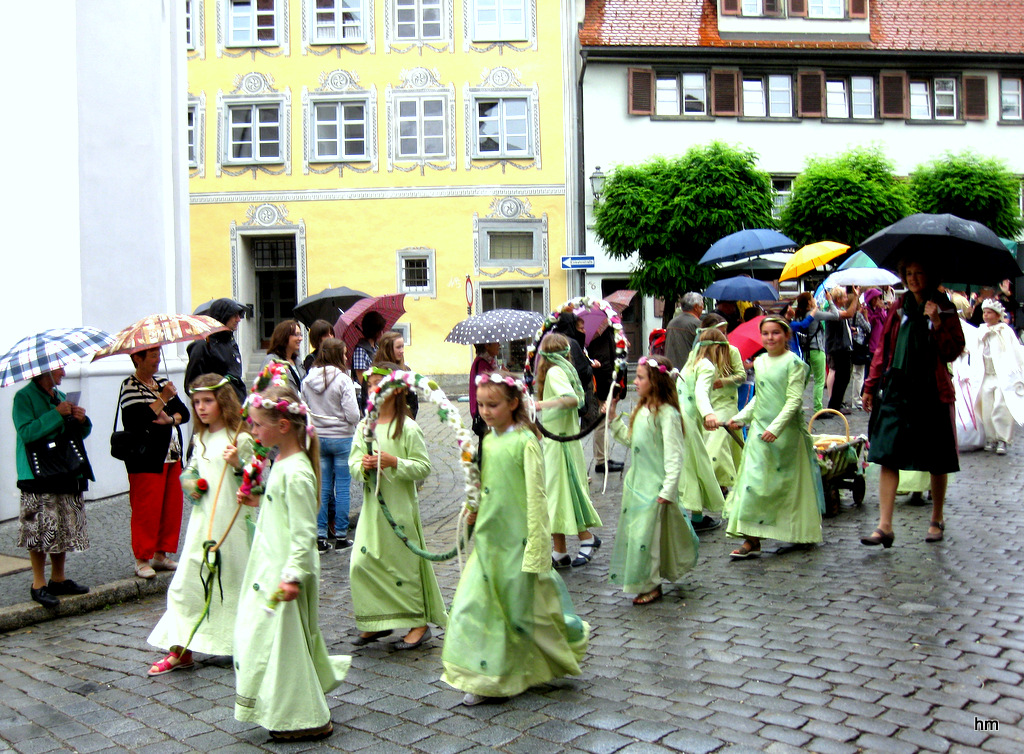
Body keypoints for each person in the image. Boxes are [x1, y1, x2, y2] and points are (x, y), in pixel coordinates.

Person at [441, 372, 589, 706]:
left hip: (517, 541)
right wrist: (473, 506)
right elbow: (487, 484)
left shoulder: (525, 442)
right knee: (474, 605)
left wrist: (538, 547)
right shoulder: (489, 441)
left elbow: (537, 497)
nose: (485, 411)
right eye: (480, 405)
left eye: (492, 405)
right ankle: (487, 679)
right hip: (489, 538)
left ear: (513, 403)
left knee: (516, 613)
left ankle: (533, 662)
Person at [233, 384, 349, 742]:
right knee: (274, 640)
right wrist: (259, 503)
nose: (252, 432)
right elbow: (282, 515)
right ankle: (288, 707)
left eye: (256, 425)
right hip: (271, 567)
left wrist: (292, 577)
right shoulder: (283, 464)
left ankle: (306, 717)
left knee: (282, 645)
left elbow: (302, 533)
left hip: (285, 572)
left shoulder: (297, 472)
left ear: (283, 426)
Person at [146, 374, 254, 676]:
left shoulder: (241, 439)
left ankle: (243, 643)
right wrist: (192, 483)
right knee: (185, 585)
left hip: (232, 527)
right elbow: (191, 471)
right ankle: (181, 649)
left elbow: (255, 484)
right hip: (202, 526)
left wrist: (239, 465)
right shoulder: (201, 438)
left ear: (223, 401)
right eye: (197, 402)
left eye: (208, 400)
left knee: (234, 585)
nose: (202, 407)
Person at [860, 257, 965, 548]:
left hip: (931, 390)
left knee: (936, 456)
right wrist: (870, 385)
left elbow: (952, 351)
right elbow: (883, 348)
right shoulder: (898, 306)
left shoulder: (944, 306)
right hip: (897, 388)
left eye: (919, 273)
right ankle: (884, 526)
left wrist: (937, 321)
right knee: (887, 454)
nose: (914, 278)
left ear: (930, 276)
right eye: (909, 273)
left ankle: (937, 517)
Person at [348, 363, 446, 650]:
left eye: (381, 384)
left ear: (398, 390)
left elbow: (423, 467)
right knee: (362, 564)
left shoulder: (409, 428)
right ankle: (377, 620)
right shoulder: (365, 427)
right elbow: (353, 463)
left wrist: (394, 463)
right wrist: (364, 467)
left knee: (403, 566)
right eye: (370, 385)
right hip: (372, 511)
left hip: (399, 509)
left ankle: (418, 622)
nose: (373, 389)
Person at [725, 316, 825, 559]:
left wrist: (777, 428)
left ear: (786, 336)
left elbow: (793, 400)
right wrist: (741, 418)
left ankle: (798, 531)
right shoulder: (759, 363)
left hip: (786, 435)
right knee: (753, 482)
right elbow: (760, 397)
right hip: (760, 432)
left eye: (775, 333)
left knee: (787, 486)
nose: (770, 338)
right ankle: (751, 538)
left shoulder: (794, 363)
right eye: (766, 333)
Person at [606, 356, 697, 605]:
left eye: (640, 378)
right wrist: (614, 419)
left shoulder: (668, 415)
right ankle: (646, 581)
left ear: (655, 381)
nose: (635, 382)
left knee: (648, 538)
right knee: (638, 537)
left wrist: (668, 489)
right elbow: (630, 440)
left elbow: (674, 455)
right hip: (637, 485)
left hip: (655, 486)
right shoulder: (643, 409)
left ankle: (652, 584)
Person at [13, 368, 92, 608]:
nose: (64, 371)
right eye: (59, 368)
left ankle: (58, 578)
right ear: (45, 371)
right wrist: (56, 415)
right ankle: (38, 584)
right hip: (37, 472)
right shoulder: (24, 397)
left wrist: (81, 420)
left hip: (63, 467)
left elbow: (79, 433)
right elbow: (26, 432)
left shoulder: (57, 394)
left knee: (62, 525)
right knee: (39, 528)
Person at [118, 347, 190, 579]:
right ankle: (142, 558)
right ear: (137, 359)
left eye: (159, 356)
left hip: (171, 454)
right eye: (153, 357)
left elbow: (184, 414)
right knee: (147, 509)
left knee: (171, 507)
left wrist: (170, 418)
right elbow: (138, 420)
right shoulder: (130, 386)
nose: (158, 360)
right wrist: (163, 399)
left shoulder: (160, 382)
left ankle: (161, 553)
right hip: (146, 457)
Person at [535, 333, 603, 568]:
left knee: (564, 492)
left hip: (560, 443)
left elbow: (572, 399)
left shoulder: (554, 372)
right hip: (557, 442)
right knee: (556, 495)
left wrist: (540, 405)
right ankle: (560, 550)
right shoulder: (561, 371)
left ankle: (587, 538)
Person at [301, 338, 359, 550]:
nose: (346, 358)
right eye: (344, 354)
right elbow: (353, 414)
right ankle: (341, 536)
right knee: (343, 487)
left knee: (322, 488)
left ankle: (320, 537)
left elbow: (303, 408)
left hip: (318, 437)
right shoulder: (343, 380)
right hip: (342, 437)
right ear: (337, 356)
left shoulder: (307, 380)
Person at [673, 333, 728, 532]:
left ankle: (694, 515)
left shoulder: (690, 363)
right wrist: (708, 414)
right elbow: (701, 393)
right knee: (695, 467)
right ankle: (693, 517)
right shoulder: (706, 366)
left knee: (689, 466)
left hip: (679, 417)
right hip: (688, 421)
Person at [687, 329, 745, 494]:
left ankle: (712, 483)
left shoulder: (731, 351)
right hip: (707, 404)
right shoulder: (698, 357)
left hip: (726, 403)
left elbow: (741, 376)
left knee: (716, 445)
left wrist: (724, 381)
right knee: (712, 444)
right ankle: (720, 483)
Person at [975, 299, 1024, 455]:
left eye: (989, 313)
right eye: (984, 312)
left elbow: (1014, 350)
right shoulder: (981, 331)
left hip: (1001, 374)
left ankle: (1003, 438)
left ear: (997, 315)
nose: (986, 316)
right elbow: (975, 349)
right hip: (986, 374)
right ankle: (991, 437)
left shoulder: (1005, 331)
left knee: (1001, 405)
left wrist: (1016, 369)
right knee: (987, 406)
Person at [185, 298, 247, 403]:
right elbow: (191, 384)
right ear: (223, 316)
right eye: (234, 315)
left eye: (239, 315)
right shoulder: (203, 346)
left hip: (236, 406)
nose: (238, 319)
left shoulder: (231, 344)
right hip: (217, 410)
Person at [588, 324, 624, 474]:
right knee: (601, 422)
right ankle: (601, 461)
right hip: (603, 383)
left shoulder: (607, 332)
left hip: (604, 382)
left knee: (603, 421)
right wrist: (611, 386)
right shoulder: (601, 334)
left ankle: (604, 458)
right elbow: (604, 361)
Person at [824, 287, 861, 414]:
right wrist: (856, 297)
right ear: (838, 299)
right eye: (845, 296)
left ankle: (836, 406)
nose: (847, 299)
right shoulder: (832, 311)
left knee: (843, 379)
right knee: (841, 378)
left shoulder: (838, 310)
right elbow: (850, 314)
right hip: (838, 349)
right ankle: (833, 407)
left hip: (842, 348)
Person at [373, 330, 419, 418]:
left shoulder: (406, 371)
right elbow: (367, 402)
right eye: (398, 347)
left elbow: (413, 404)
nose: (402, 351)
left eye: (402, 347)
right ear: (387, 349)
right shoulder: (374, 373)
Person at [351, 310, 386, 414]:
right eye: (380, 330)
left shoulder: (376, 347)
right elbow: (362, 379)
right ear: (375, 331)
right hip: (369, 396)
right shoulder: (360, 350)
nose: (382, 333)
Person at [664, 292, 704, 370]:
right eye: (702, 305)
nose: (703, 308)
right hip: (689, 370)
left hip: (671, 369)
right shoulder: (697, 324)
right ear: (696, 307)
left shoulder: (671, 323)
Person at [468, 342, 499, 441]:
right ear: (487, 346)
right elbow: (489, 390)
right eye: (496, 343)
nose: (499, 345)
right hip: (486, 414)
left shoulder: (486, 362)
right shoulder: (482, 364)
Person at [262, 319, 305, 387]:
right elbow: (264, 388)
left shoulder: (297, 361)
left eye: (300, 335)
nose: (300, 338)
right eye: (296, 335)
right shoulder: (272, 361)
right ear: (284, 336)